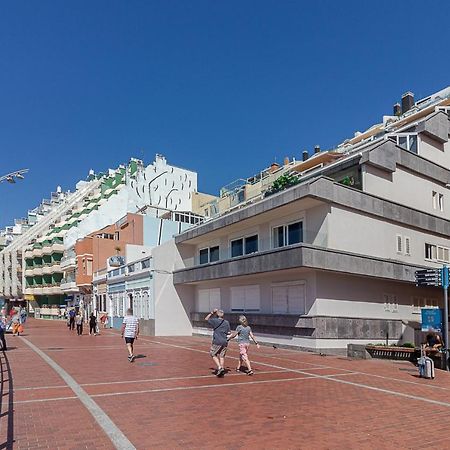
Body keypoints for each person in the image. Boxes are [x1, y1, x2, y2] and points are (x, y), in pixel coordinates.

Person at [205, 309, 230, 377]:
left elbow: (206, 319)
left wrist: (212, 312)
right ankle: (221, 368)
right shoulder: (226, 322)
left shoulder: (215, 320)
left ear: (217, 314)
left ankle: (219, 367)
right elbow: (229, 332)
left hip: (217, 341)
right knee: (222, 356)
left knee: (212, 353)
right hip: (225, 341)